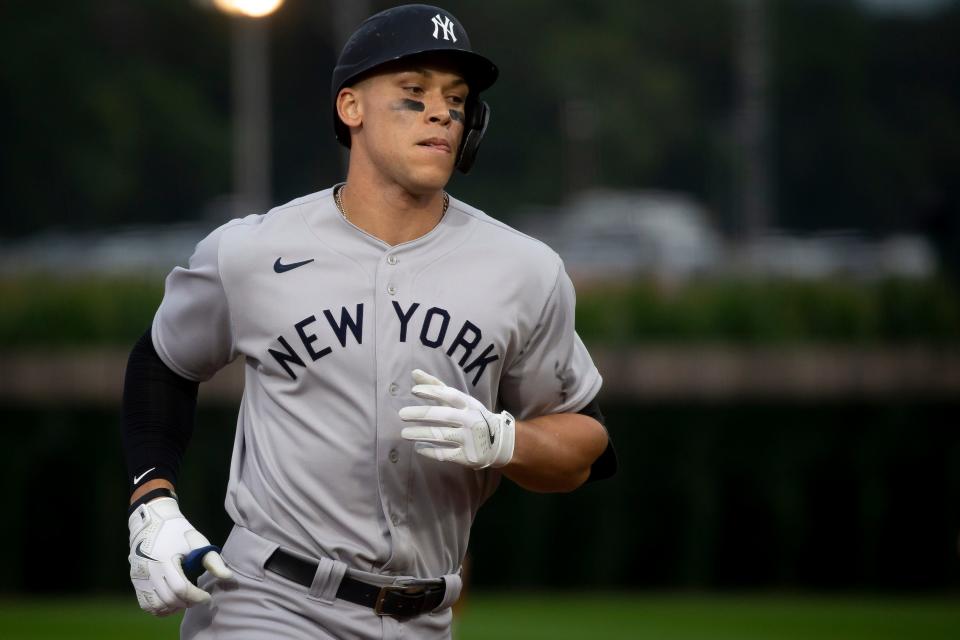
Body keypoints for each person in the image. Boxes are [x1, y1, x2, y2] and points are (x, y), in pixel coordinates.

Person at [121, 5, 616, 639]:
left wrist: (507, 440)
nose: (442, 112)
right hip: (268, 601)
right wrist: (152, 502)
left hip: (426, 616)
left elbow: (587, 443)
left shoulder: (524, 269)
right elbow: (163, 362)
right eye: (414, 93)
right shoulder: (250, 251)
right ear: (351, 107)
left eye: (457, 99)